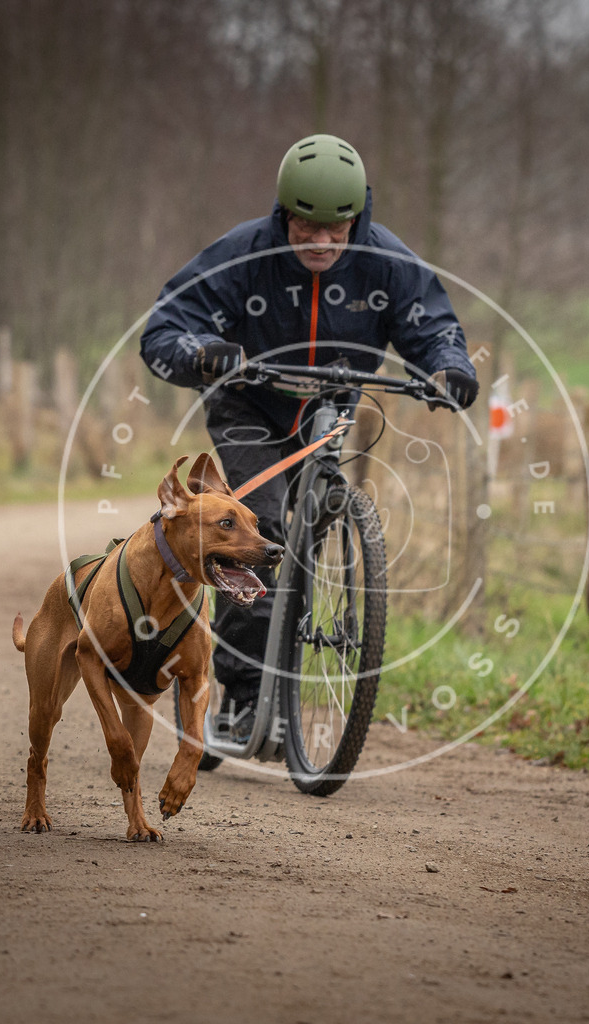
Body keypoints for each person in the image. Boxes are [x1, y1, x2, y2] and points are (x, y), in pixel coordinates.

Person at [140, 133, 478, 741]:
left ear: (358, 217)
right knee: (261, 524)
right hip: (248, 403)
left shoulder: (387, 263)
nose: (320, 241)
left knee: (314, 522)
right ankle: (241, 697)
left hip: (329, 407)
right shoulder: (244, 254)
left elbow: (432, 329)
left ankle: (291, 651)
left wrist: (449, 367)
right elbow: (165, 328)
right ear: (284, 213)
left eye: (336, 229)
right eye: (306, 227)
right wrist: (204, 352)